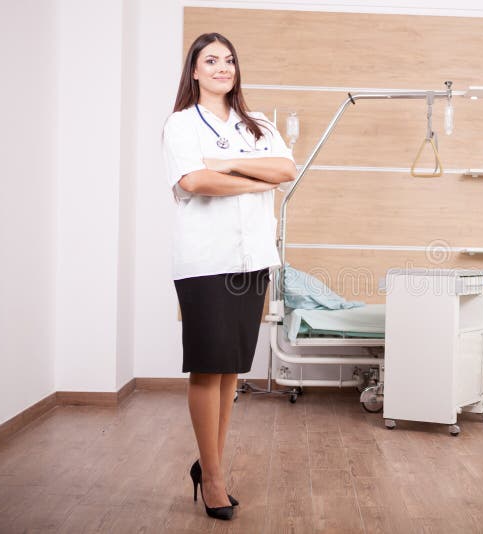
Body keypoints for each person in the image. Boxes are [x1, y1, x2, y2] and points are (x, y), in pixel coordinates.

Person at [162, 32, 296, 520]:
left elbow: (285, 169)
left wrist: (229, 165)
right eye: (211, 60)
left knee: (231, 370)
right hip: (205, 260)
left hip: (252, 260)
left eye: (230, 60)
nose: (223, 67)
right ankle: (214, 478)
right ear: (194, 71)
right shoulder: (180, 125)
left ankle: (209, 464)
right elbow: (193, 181)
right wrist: (250, 177)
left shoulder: (257, 124)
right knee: (207, 365)